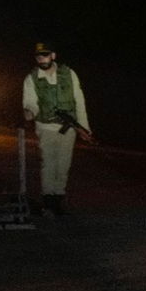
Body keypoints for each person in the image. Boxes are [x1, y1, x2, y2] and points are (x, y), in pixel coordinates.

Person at [21, 42, 94, 216]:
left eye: (45, 55)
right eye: (39, 56)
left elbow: (79, 101)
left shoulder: (69, 74)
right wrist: (30, 111)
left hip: (68, 127)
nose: (42, 59)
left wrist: (84, 128)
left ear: (53, 55)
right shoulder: (31, 78)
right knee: (48, 162)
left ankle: (58, 197)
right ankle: (48, 199)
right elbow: (30, 101)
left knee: (63, 163)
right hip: (45, 126)